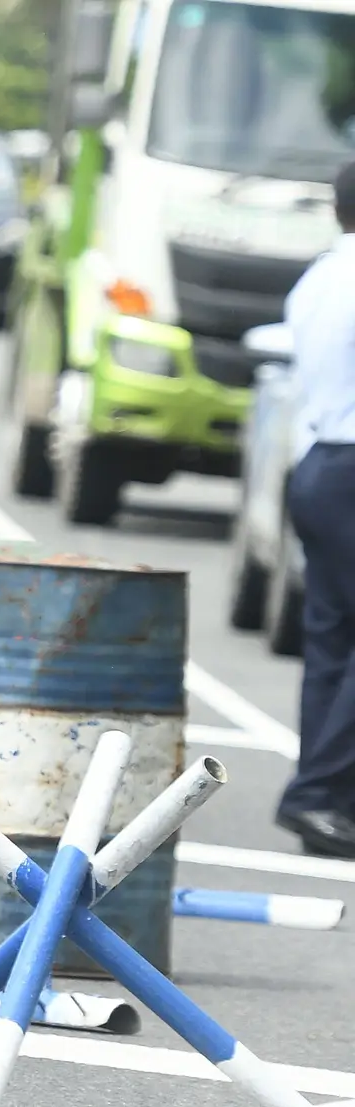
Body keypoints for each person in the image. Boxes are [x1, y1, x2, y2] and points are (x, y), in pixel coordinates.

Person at [276, 158, 355, 859]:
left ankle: (325, 799)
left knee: (331, 643)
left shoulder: (319, 279)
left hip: (323, 462)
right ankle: (319, 795)